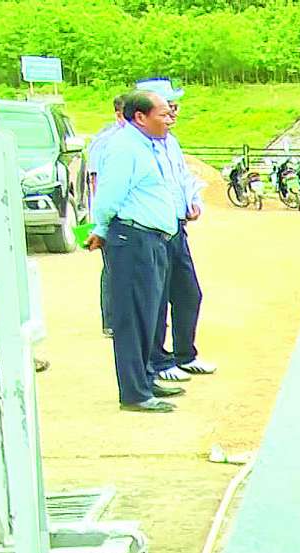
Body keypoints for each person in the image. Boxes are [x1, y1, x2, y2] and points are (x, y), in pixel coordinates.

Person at [86, 90, 183, 413]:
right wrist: (101, 227)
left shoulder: (144, 145)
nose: (169, 119)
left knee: (149, 313)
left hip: (151, 239)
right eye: (163, 114)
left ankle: (145, 377)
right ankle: (134, 393)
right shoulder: (124, 148)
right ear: (140, 117)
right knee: (132, 316)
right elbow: (109, 194)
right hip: (133, 239)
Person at [137, 78, 216, 384]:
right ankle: (158, 360)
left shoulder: (170, 141)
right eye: (169, 106)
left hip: (176, 228)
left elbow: (182, 178)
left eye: (175, 107)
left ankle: (185, 354)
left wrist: (192, 201)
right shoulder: (136, 145)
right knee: (156, 298)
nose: (173, 112)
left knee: (188, 293)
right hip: (152, 230)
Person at [88, 93, 130, 338]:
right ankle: (111, 320)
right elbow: (96, 182)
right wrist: (102, 220)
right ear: (119, 115)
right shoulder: (105, 141)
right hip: (110, 214)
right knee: (112, 268)